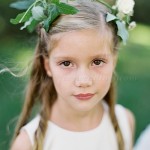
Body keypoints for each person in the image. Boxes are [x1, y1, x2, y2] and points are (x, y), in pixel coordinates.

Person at [10, 0, 135, 150]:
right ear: (48, 66)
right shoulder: (27, 144)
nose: (83, 81)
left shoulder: (125, 121)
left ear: (114, 61)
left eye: (97, 62)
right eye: (66, 63)